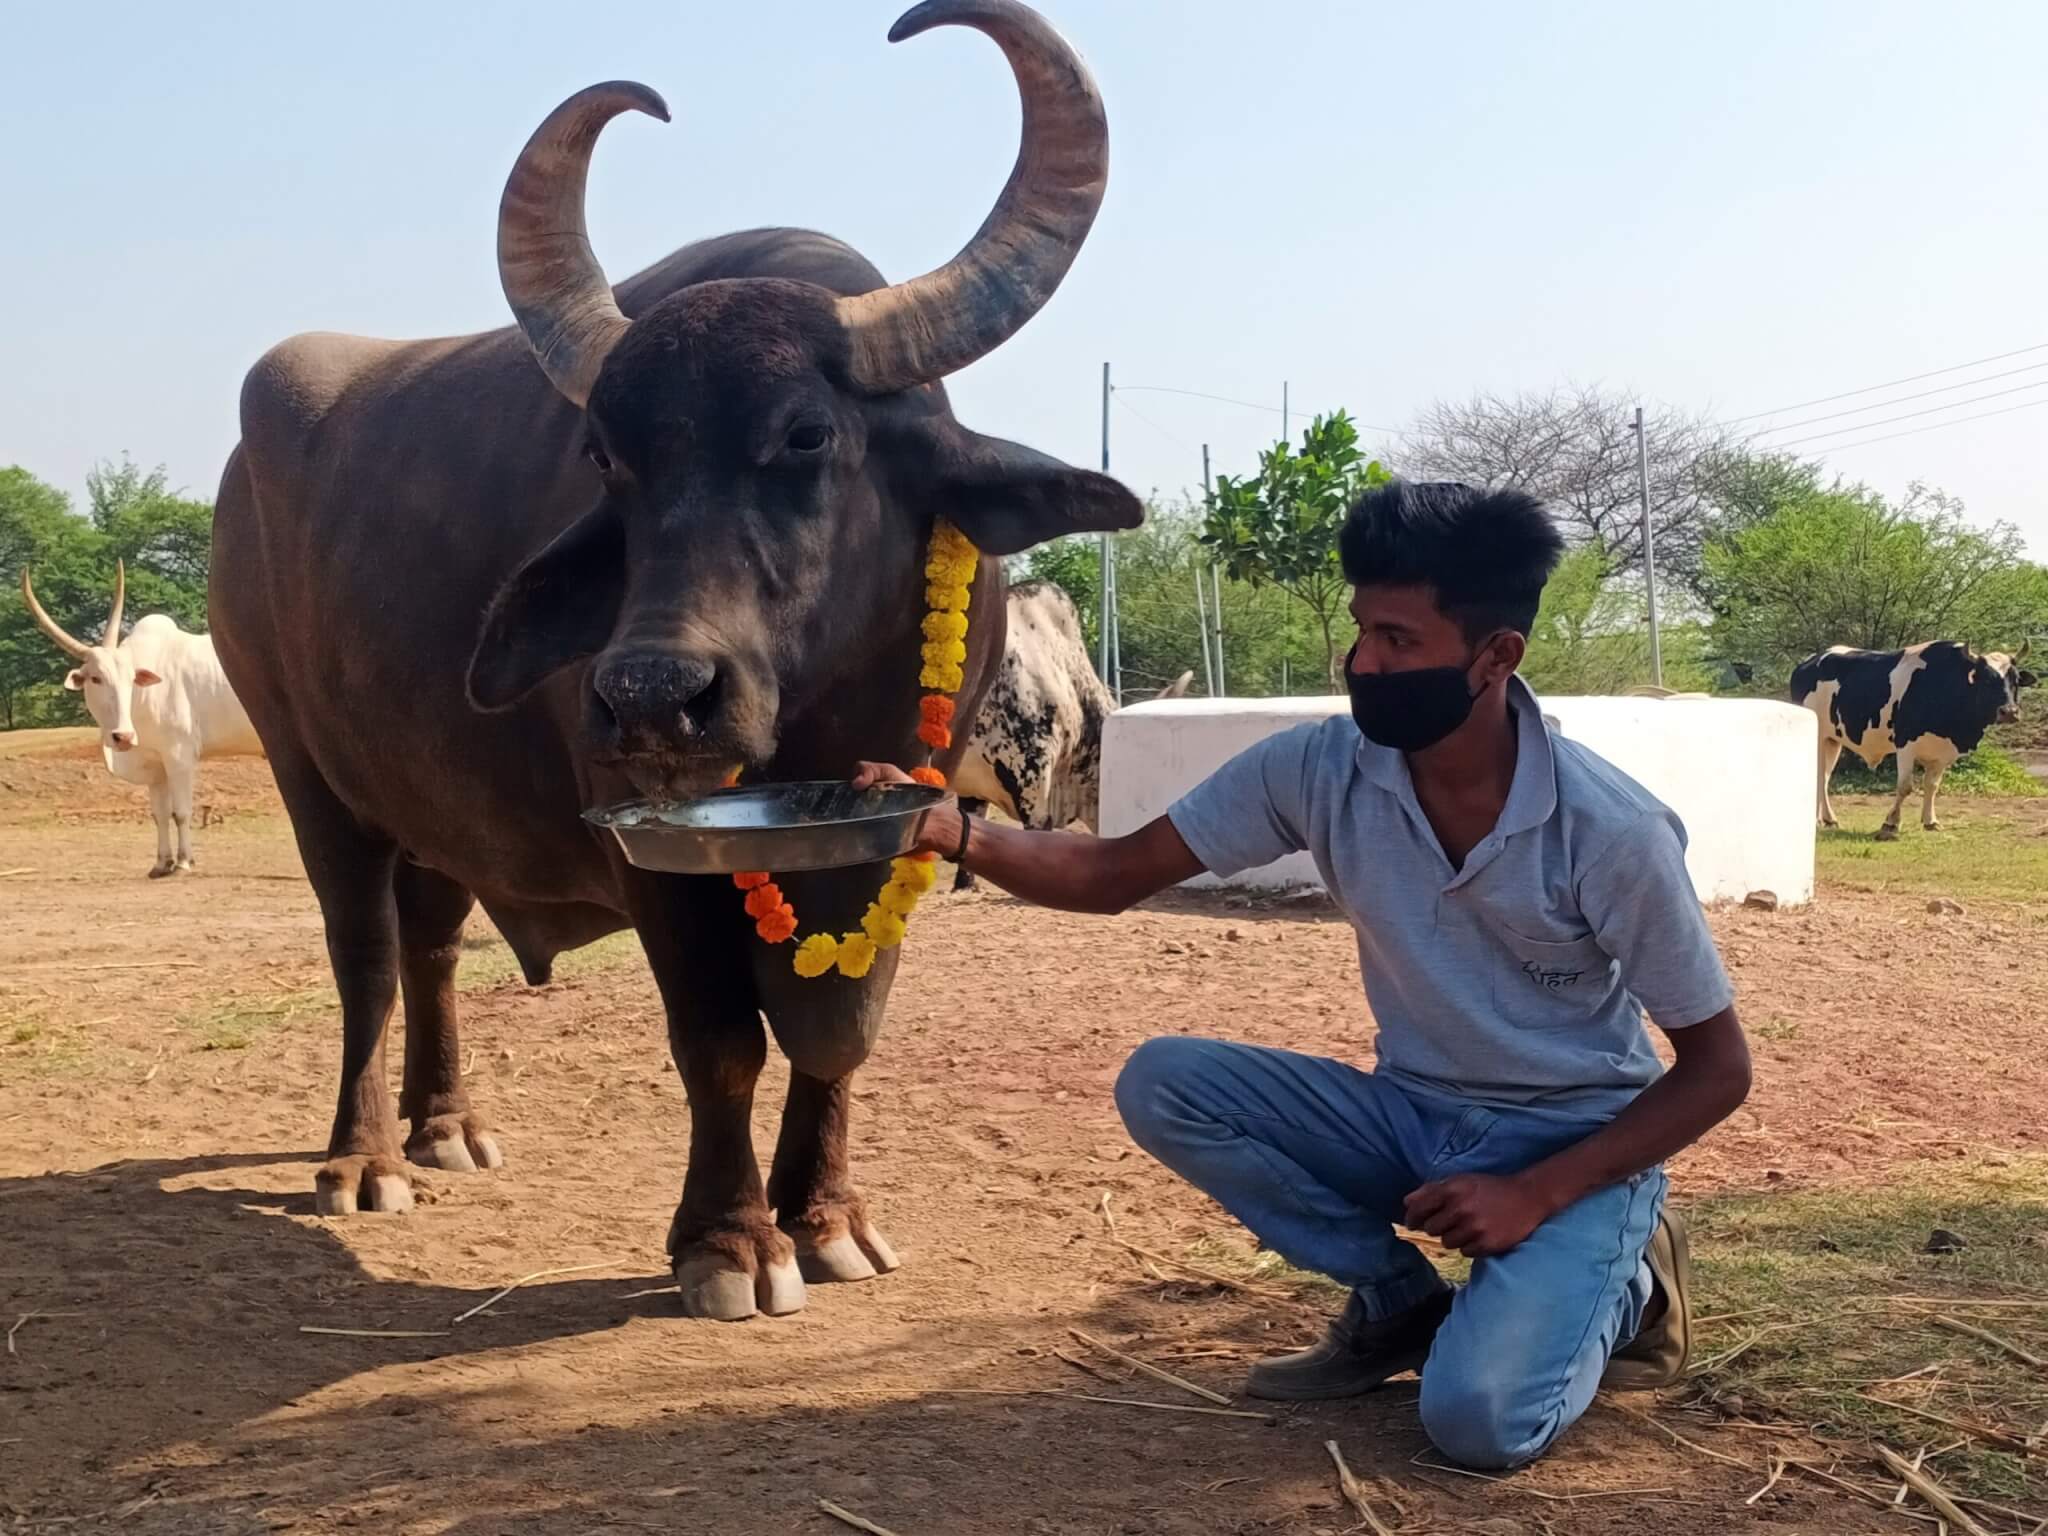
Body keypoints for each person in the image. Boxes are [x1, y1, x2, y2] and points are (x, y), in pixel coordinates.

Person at [855, 479, 1750, 1470]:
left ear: (1495, 657)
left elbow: (1716, 1069)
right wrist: (947, 830)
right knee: (1167, 1083)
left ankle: (1629, 1286)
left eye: (1398, 641)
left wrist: (1536, 1193)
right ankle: (1397, 1299)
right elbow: (1111, 872)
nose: (1361, 662)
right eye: (1361, 629)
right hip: (1412, 1116)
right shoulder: (1320, 768)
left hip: (1572, 1142)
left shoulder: (1607, 829)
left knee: (1478, 1426)